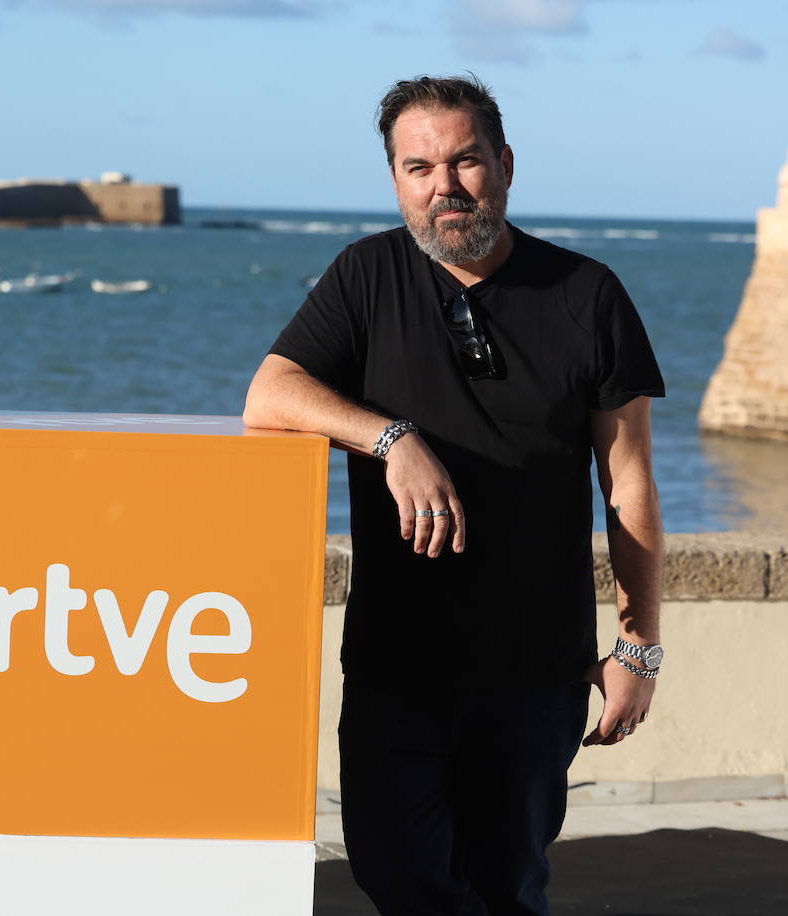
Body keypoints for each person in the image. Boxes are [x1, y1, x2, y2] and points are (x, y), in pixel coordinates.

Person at [243, 75, 665, 915]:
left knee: (507, 887)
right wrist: (391, 439)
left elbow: (629, 480)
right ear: (396, 179)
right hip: (396, 665)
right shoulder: (366, 274)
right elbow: (270, 395)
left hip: (535, 672)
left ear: (504, 164)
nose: (445, 186)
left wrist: (638, 649)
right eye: (419, 167)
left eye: (466, 161)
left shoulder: (587, 294)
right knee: (396, 876)